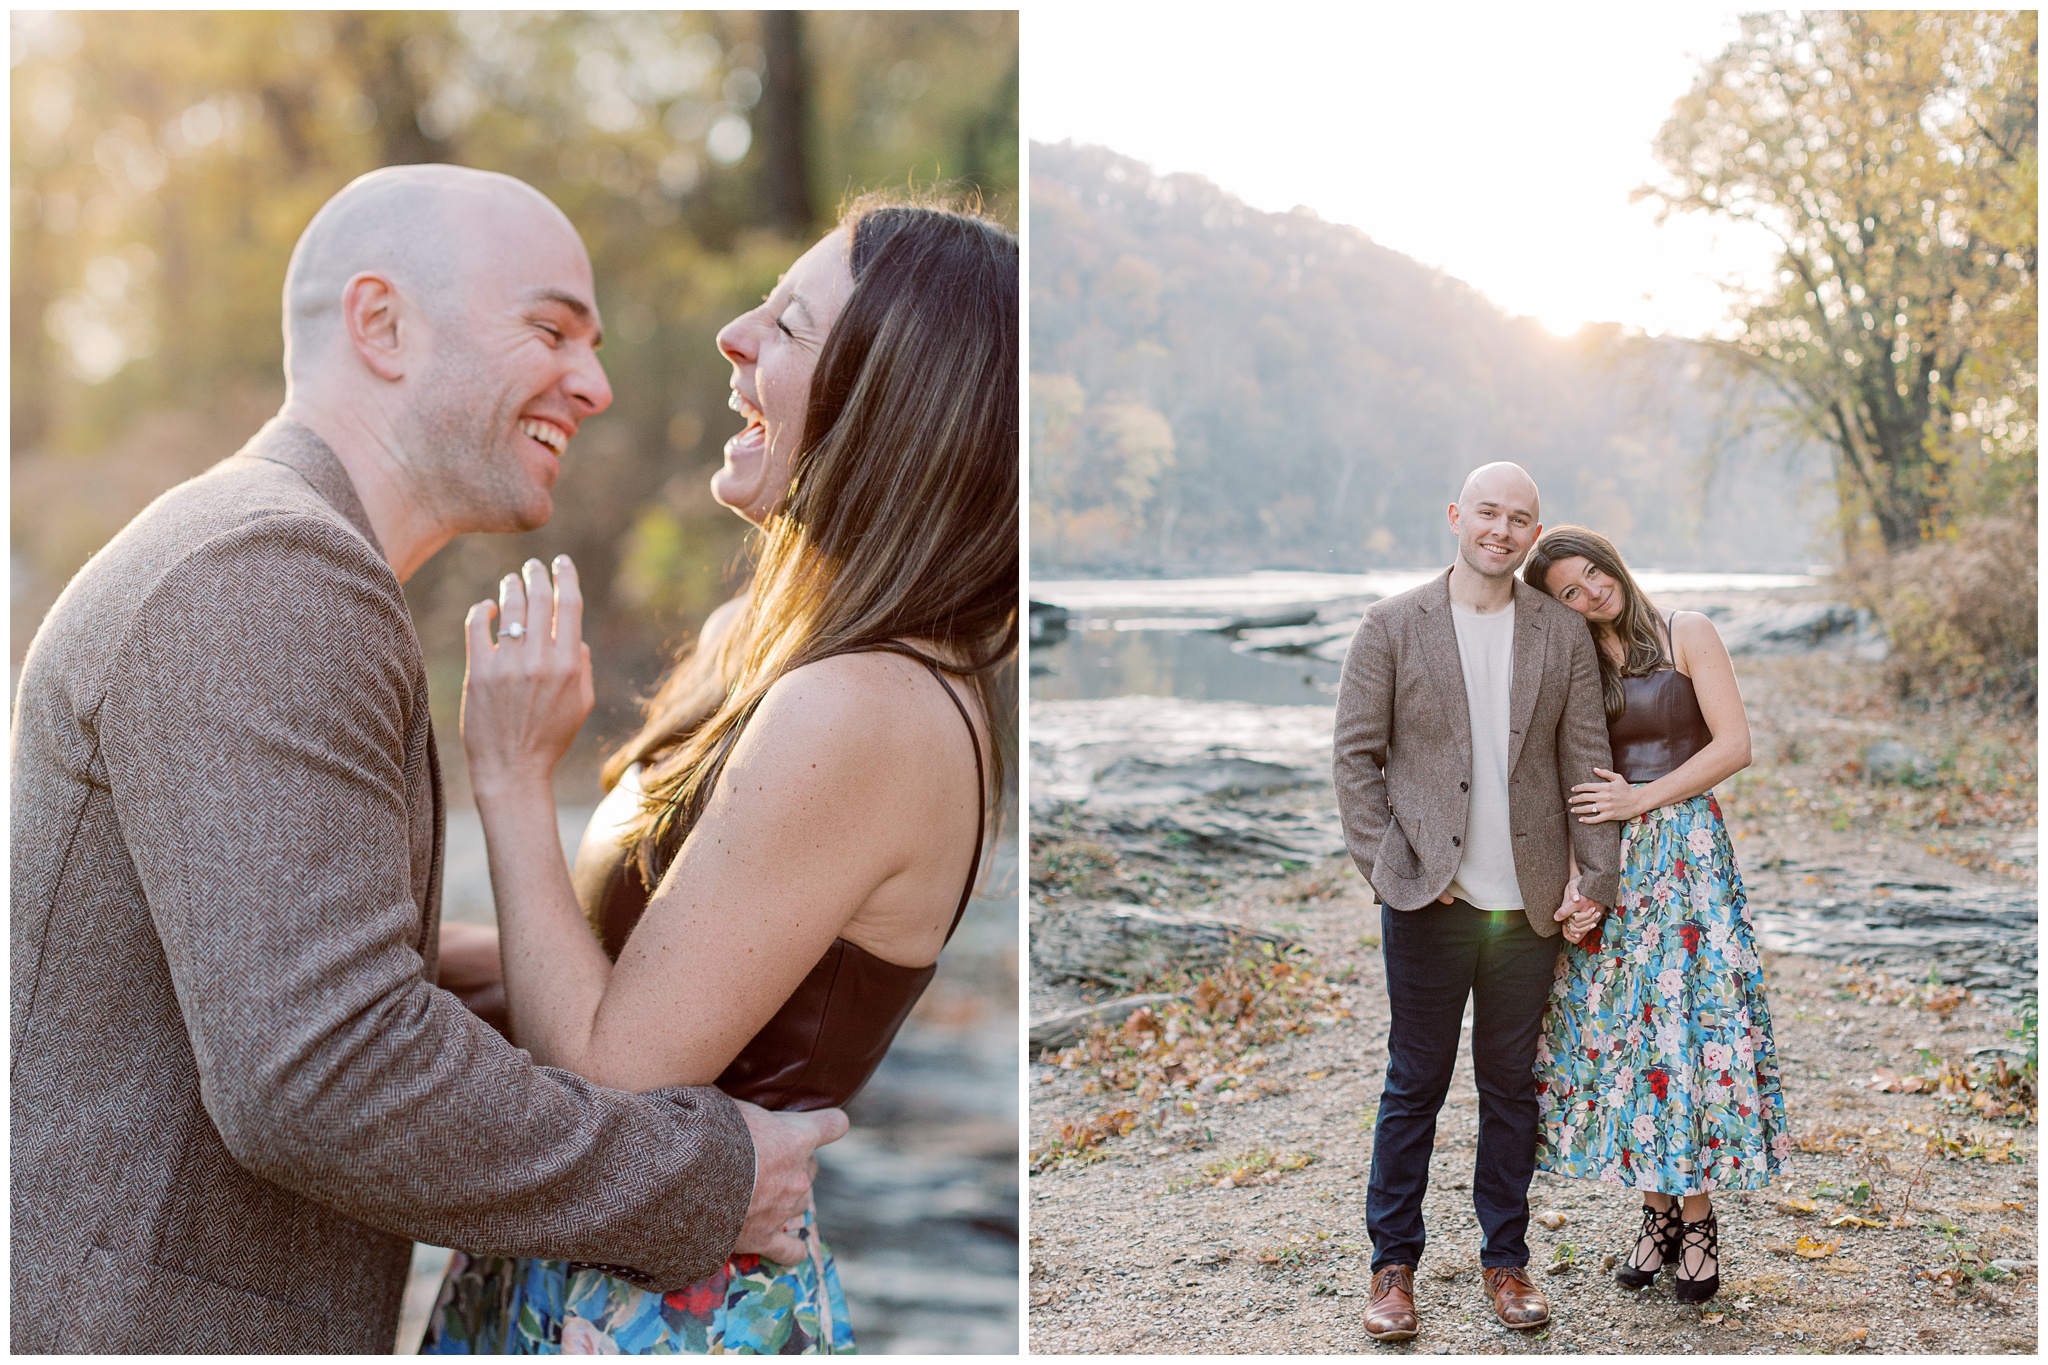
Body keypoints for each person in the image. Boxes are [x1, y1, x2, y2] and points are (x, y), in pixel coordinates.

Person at [8, 164, 844, 1355]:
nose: (596, 385)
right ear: (381, 325)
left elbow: (274, 967)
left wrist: (580, 989)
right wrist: (702, 1181)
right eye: (550, 329)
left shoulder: (268, 558)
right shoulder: (267, 579)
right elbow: (321, 1075)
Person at [422, 195, 1018, 1354]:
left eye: (787, 326)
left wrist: (508, 775)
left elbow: (608, 1070)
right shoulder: (772, 637)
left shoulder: (866, 709)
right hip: (573, 1265)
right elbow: (618, 974)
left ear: (894, 400)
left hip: (668, 1311)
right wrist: (338, 968)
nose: (732, 335)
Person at [1333, 462, 1622, 1344]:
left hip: (1530, 906)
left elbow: (1586, 760)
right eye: (1488, 511)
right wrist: (1397, 869)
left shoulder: (1560, 631)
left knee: (1509, 1088)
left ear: (1535, 535)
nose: (1501, 529)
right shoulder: (1391, 626)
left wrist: (1593, 879)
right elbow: (1354, 760)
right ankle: (1394, 1268)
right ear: (1457, 515)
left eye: (1520, 518)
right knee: (1414, 1080)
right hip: (1426, 901)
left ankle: (1507, 1261)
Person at [1525, 525, 1788, 1304]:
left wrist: (1642, 796)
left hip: (1687, 855)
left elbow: (1734, 744)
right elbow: (1564, 770)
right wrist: (1577, 873)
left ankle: (1697, 1219)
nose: (1589, 594)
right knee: (1633, 1037)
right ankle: (1656, 1213)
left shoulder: (1686, 631)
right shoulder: (1577, 659)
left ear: (1613, 563)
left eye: (1592, 575)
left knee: (1688, 1028)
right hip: (1614, 860)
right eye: (1568, 592)